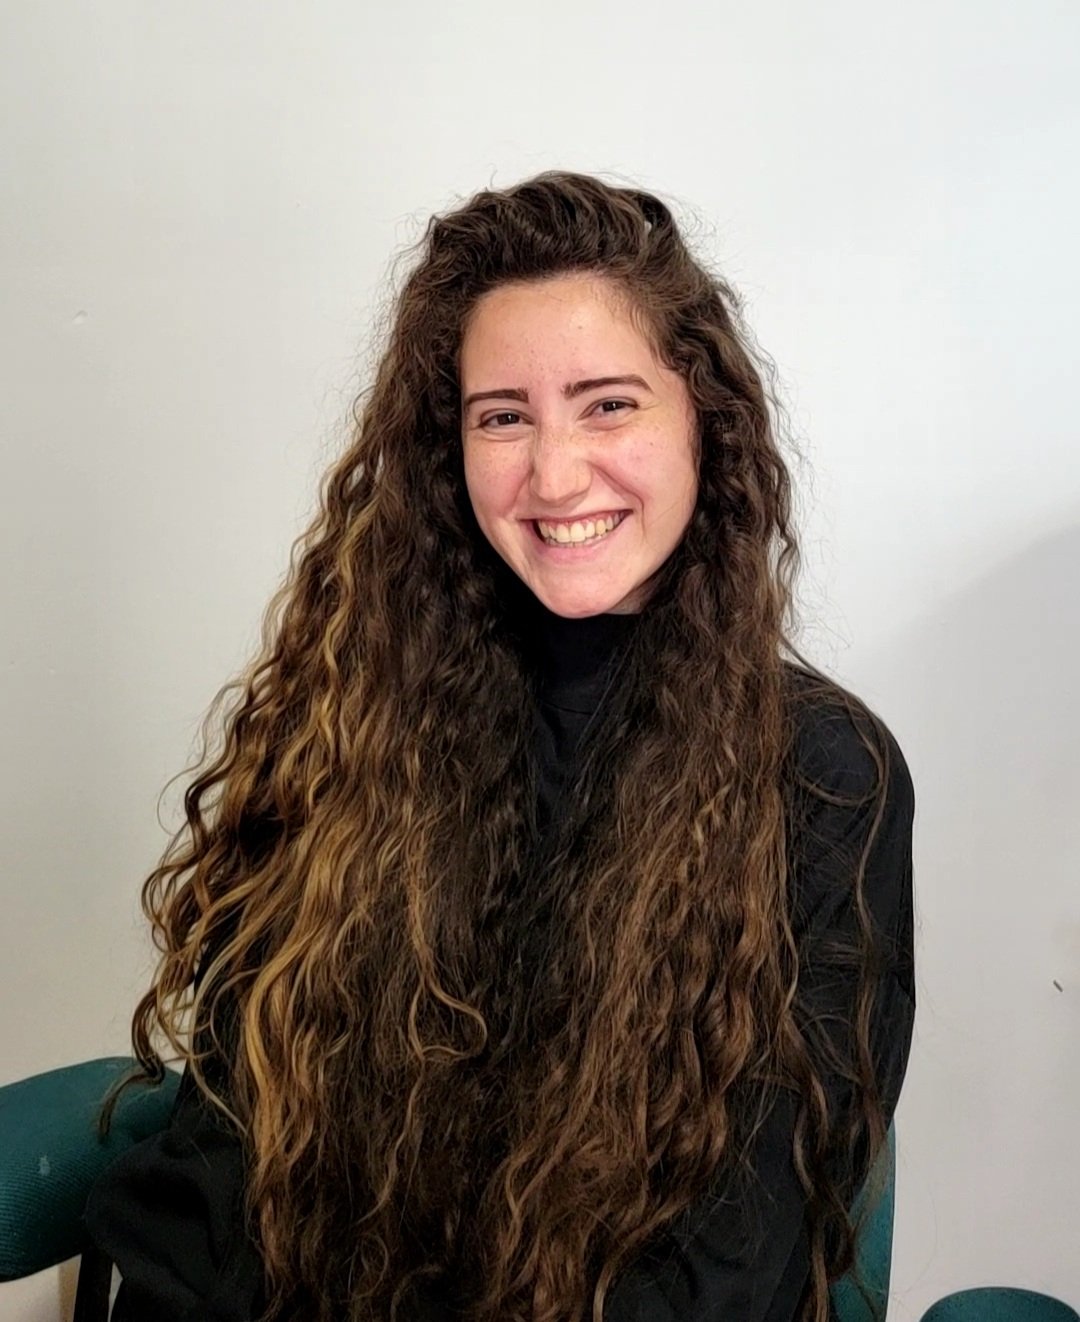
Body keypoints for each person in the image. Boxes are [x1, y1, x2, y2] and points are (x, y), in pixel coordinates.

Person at [84, 170, 916, 1322]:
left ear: (704, 423)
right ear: (451, 448)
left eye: (608, 404)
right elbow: (222, 1163)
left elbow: (734, 1270)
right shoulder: (350, 719)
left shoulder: (825, 774)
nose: (556, 473)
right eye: (503, 416)